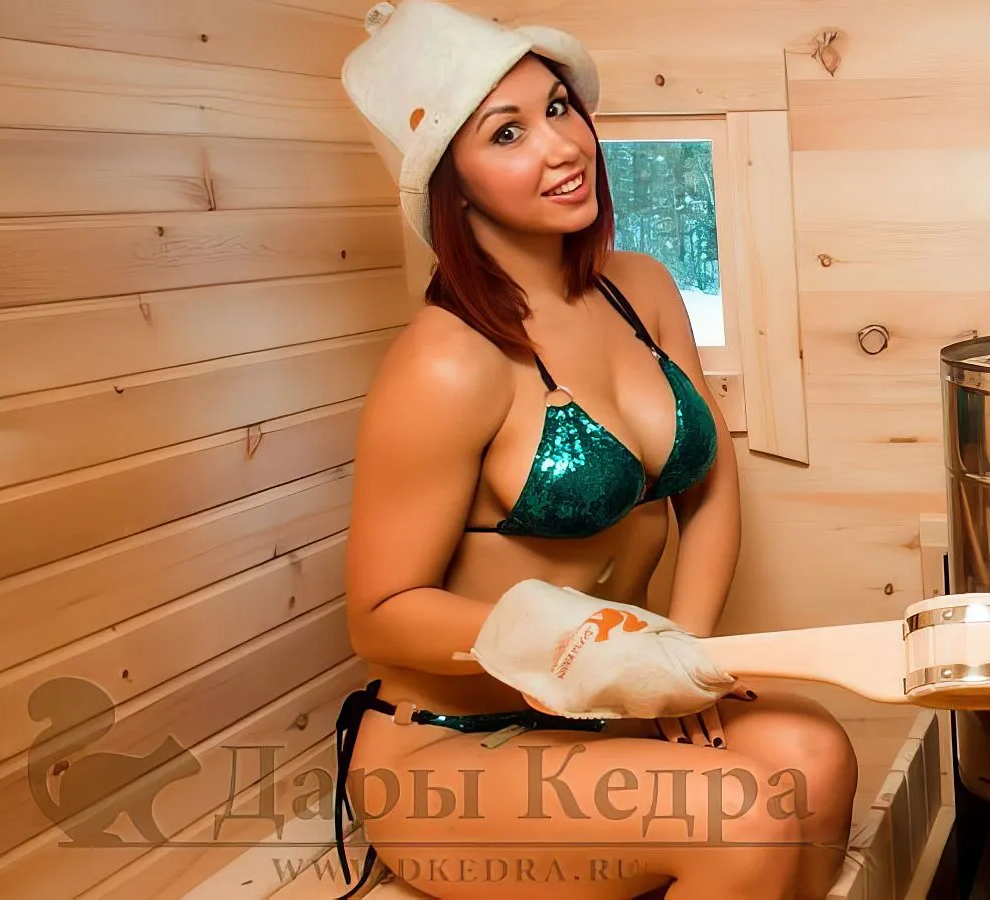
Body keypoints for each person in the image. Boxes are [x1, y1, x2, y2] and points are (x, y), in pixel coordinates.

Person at [326, 3, 855, 898]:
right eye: (508, 133)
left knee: (816, 754)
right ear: (453, 187)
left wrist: (679, 662)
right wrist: (583, 644)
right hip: (452, 747)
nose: (563, 147)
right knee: (743, 816)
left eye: (559, 107)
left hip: (607, 712)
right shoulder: (446, 362)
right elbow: (379, 614)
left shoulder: (639, 288)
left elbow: (709, 486)